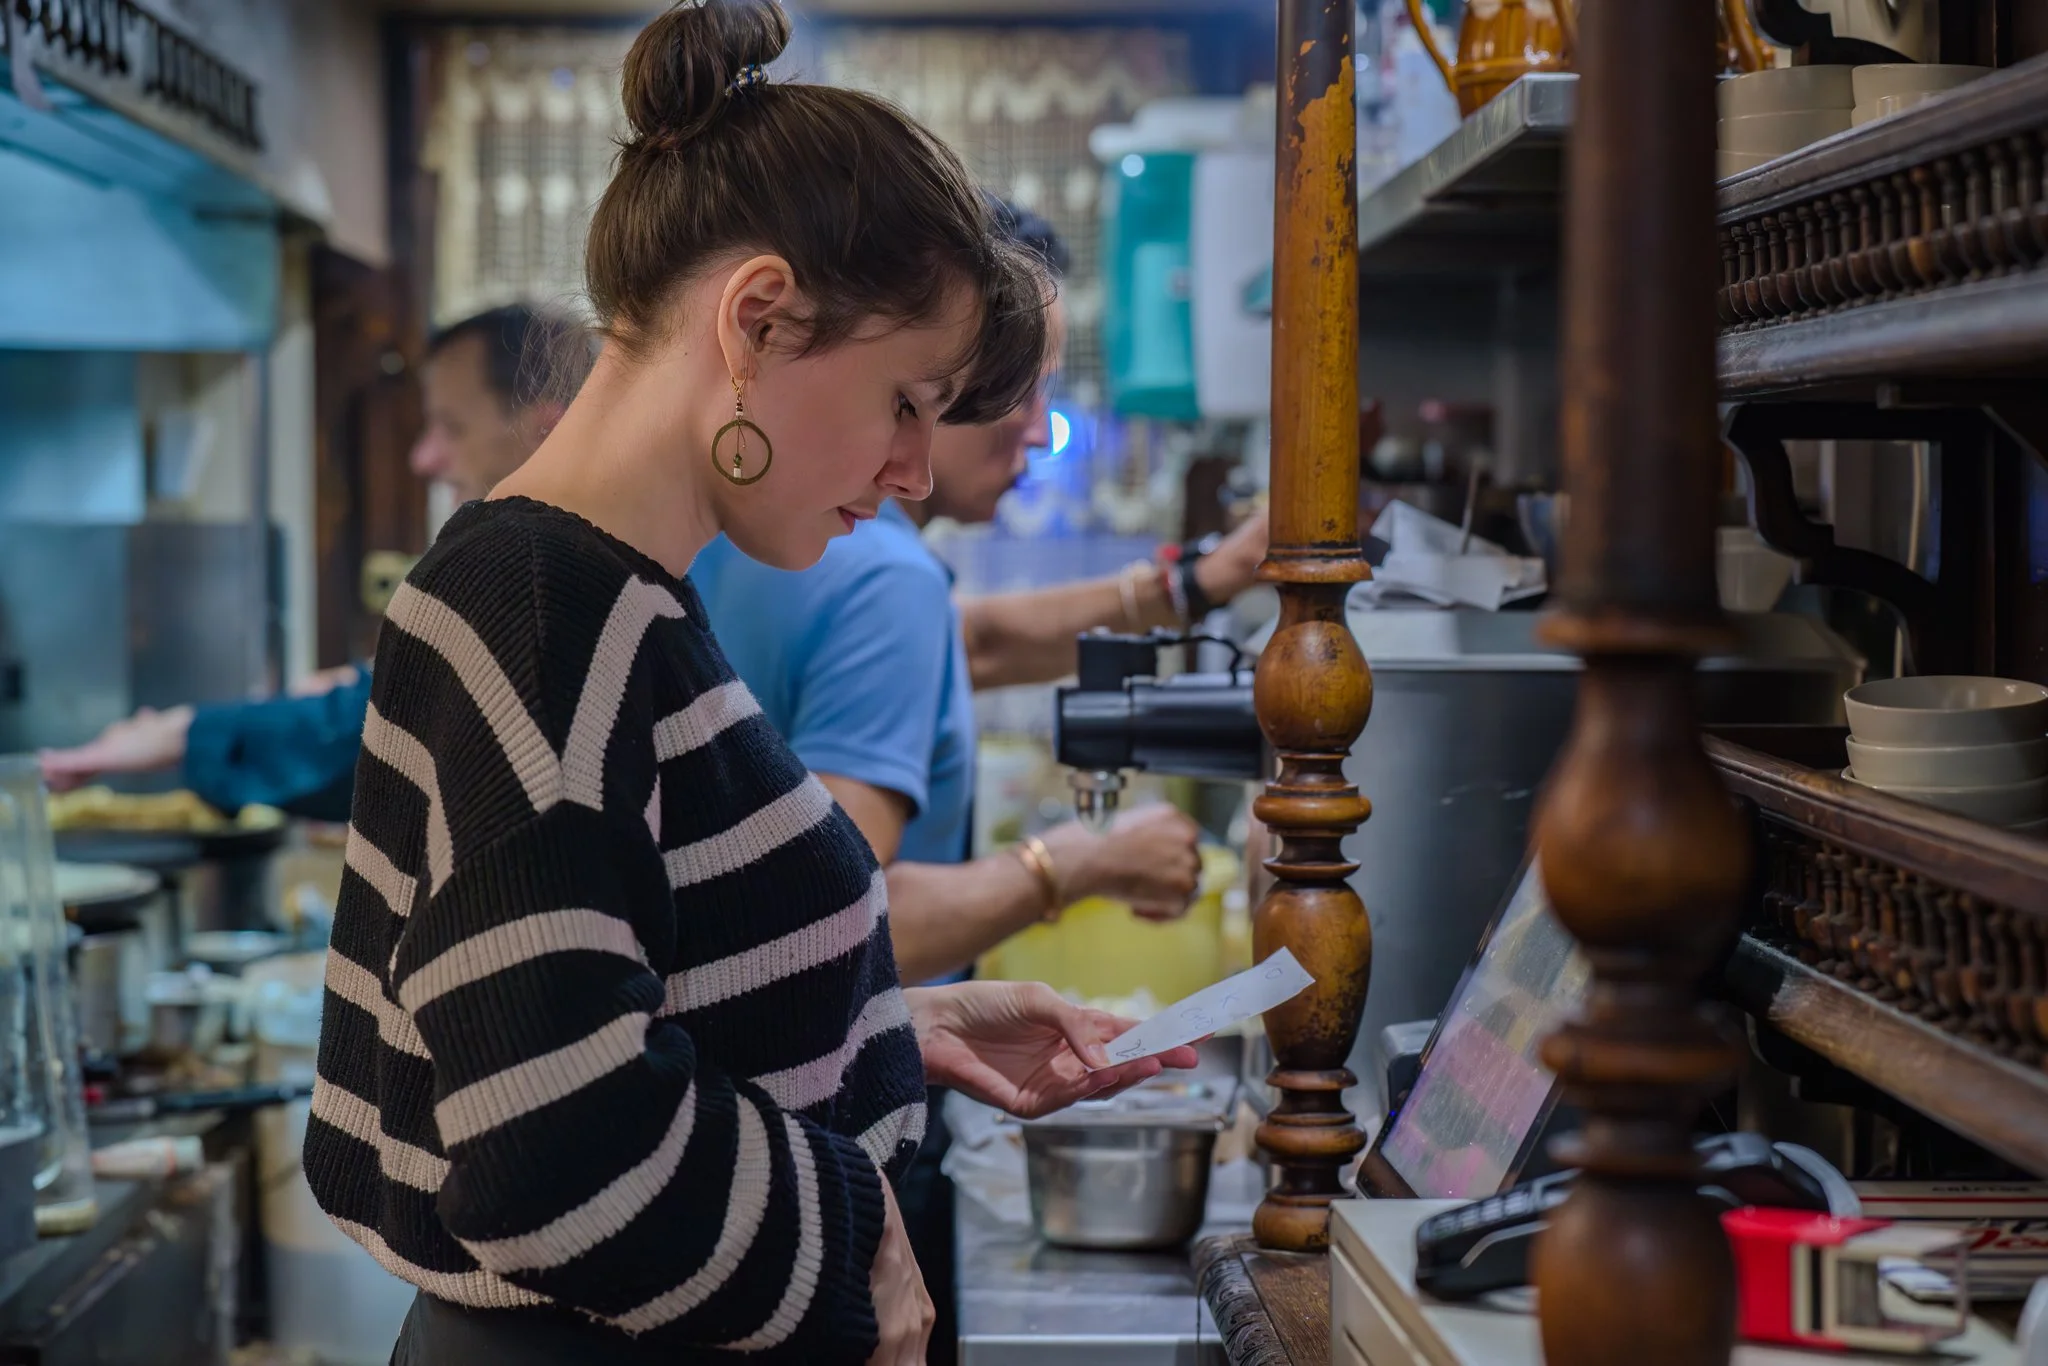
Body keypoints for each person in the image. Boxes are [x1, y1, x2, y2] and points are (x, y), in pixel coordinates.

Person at [302, 6, 1196, 1366]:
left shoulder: (618, 596)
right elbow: (554, 1151)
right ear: (756, 320)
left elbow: (608, 1004)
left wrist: (884, 1027)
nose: (913, 469)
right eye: (905, 400)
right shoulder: (544, 604)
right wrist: (856, 1230)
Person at [688, 199, 1271, 1366]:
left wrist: (1188, 587)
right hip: (825, 1139)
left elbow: (974, 639)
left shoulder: (771, 542)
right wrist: (1073, 864)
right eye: (1011, 383)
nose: (1040, 429)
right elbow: (833, 929)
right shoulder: (883, 581)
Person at [35, 305, 578, 821]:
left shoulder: (547, 579)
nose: (423, 458)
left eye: (451, 427)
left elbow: (387, 726)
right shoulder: (560, 563)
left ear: (545, 429)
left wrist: (183, 734)